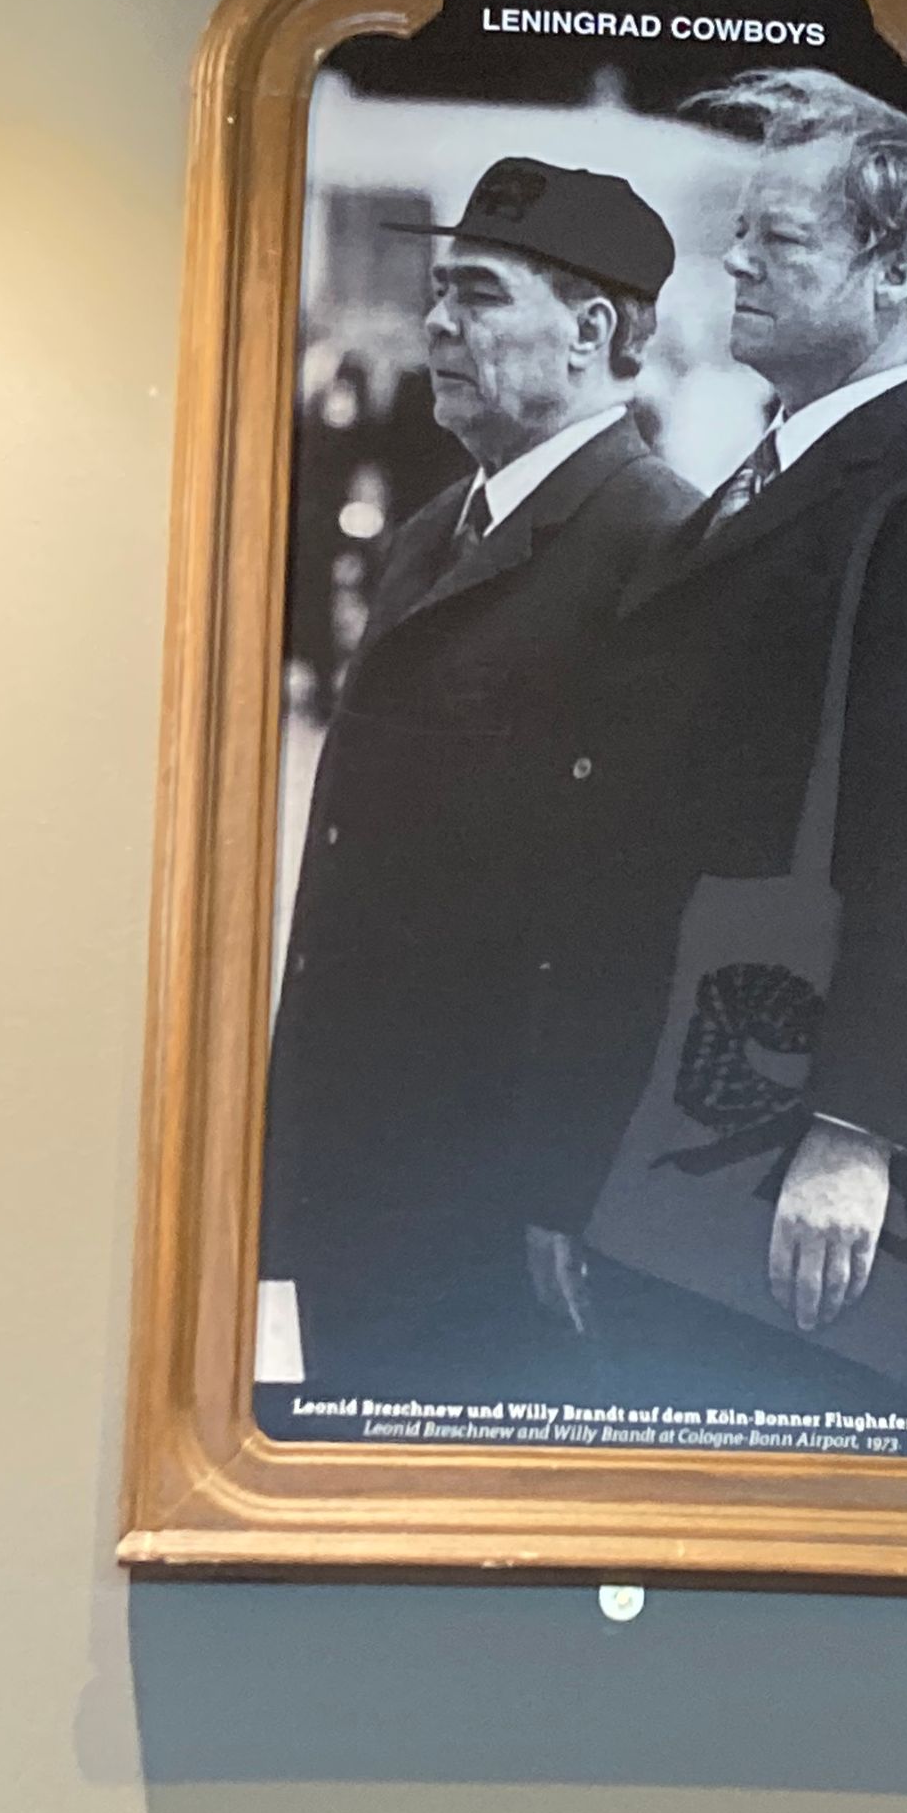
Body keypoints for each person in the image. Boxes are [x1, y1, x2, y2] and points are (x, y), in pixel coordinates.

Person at [525, 70, 907, 1403]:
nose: (735, 261)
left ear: (896, 271)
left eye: (781, 238)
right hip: (671, 1125)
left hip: (786, 1158)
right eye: (740, 232)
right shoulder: (777, 472)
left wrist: (861, 1132)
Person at [260, 156, 695, 1388]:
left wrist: (575, 1186)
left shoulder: (659, 548)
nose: (438, 322)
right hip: (372, 1168)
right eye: (441, 291)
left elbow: (646, 910)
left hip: (501, 1205)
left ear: (592, 331)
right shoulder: (431, 535)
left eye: (482, 295)